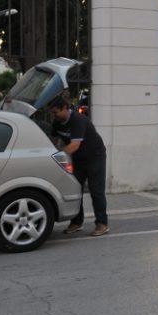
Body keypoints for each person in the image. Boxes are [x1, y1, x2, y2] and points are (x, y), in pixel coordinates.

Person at [49, 96, 109, 236]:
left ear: (65, 108)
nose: (54, 115)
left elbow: (75, 145)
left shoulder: (78, 120)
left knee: (96, 191)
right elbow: (52, 139)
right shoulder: (57, 122)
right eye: (52, 112)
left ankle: (102, 223)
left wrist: (54, 158)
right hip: (78, 159)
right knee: (75, 190)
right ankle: (77, 222)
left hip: (96, 157)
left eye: (56, 112)